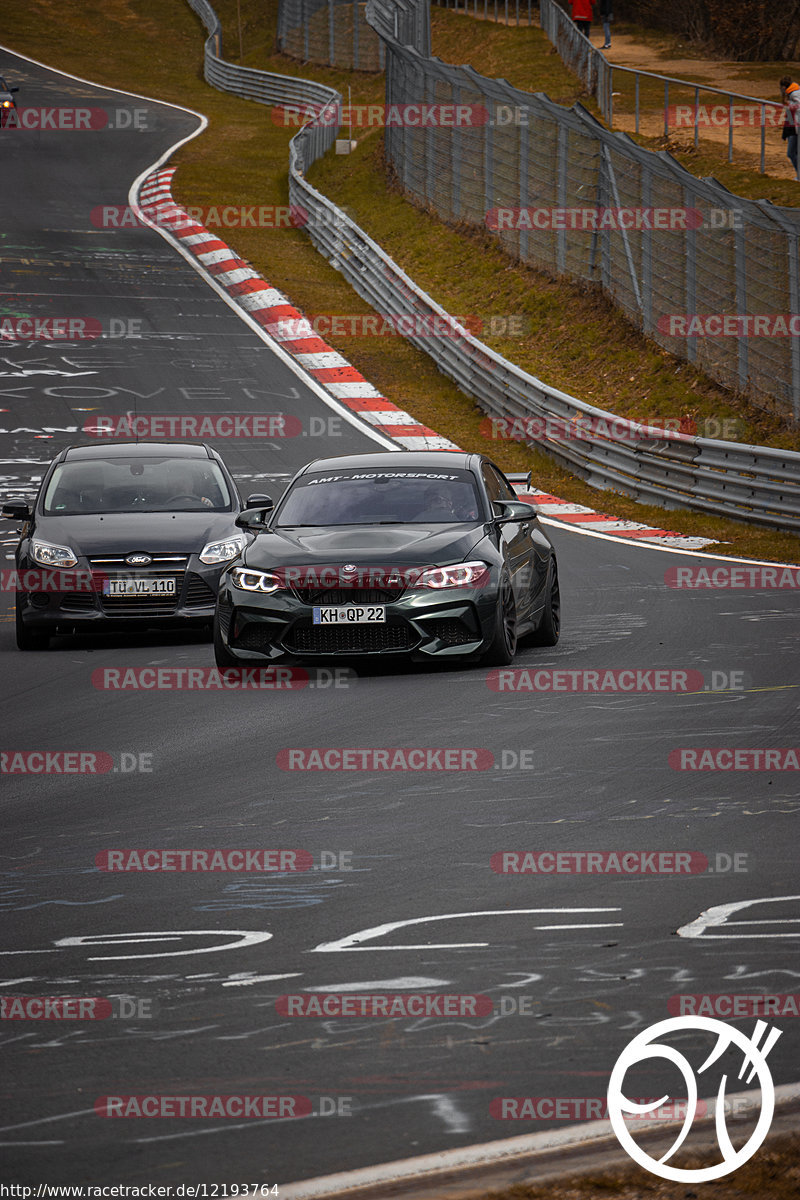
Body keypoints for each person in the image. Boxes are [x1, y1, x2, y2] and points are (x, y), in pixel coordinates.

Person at [780, 75, 800, 177]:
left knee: (791, 153)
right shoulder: (794, 92)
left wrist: (789, 105)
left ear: (784, 87)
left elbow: (798, 106)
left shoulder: (794, 94)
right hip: (792, 125)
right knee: (794, 152)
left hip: (794, 127)